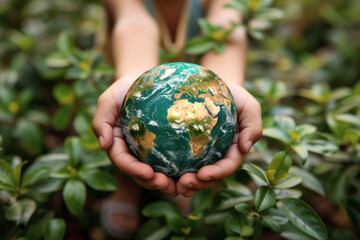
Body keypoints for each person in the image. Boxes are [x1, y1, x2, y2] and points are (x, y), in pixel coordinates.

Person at [92, 0, 262, 237]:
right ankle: (126, 187)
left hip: (194, 77)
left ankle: (185, 177)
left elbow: (226, 25)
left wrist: (225, 89)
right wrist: (135, 82)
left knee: (171, 138)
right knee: (128, 130)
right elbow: (133, 21)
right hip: (126, 55)